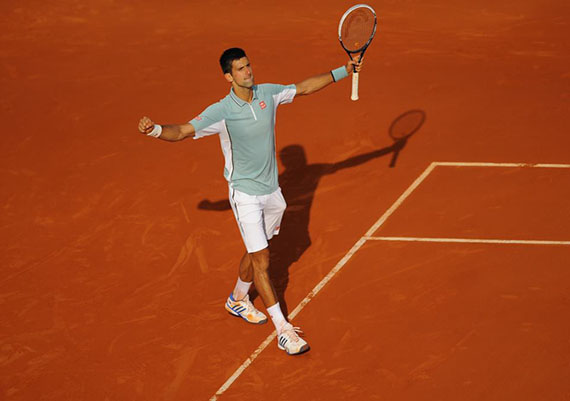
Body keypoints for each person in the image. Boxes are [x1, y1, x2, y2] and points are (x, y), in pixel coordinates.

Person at [138, 47, 362, 355]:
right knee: (262, 260)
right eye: (240, 69)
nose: (248, 72)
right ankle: (283, 331)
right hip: (244, 195)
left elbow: (304, 88)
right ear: (228, 77)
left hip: (272, 194)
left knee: (258, 250)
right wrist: (155, 130)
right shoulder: (221, 112)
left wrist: (343, 71)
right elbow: (182, 132)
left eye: (248, 65)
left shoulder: (267, 93)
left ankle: (238, 299)